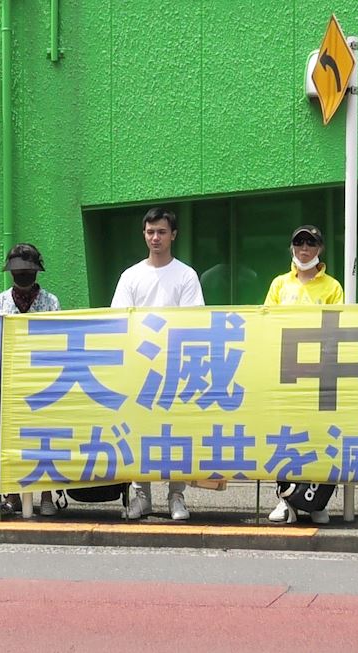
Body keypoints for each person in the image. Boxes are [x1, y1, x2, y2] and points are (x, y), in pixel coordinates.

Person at [111, 207, 204, 520]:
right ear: (144, 234)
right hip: (139, 368)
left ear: (173, 235)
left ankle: (176, 496)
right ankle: (141, 496)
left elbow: (194, 321)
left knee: (176, 433)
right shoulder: (131, 276)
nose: (155, 238)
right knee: (140, 432)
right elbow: (119, 320)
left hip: (175, 367)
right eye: (150, 232)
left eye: (161, 232)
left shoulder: (186, 275)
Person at [263, 225, 343, 525]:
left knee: (320, 437)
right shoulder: (280, 285)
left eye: (311, 243)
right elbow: (267, 323)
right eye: (298, 242)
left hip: (320, 375)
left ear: (320, 248)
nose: (304, 248)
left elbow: (338, 329)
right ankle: (285, 501)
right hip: (287, 373)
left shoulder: (333, 286)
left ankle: (317, 502)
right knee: (287, 437)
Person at [0, 243, 63, 515]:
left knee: (44, 438)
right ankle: (13, 494)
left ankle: (46, 494)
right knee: (11, 440)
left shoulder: (51, 302)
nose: (22, 276)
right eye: (17, 271)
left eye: (27, 271)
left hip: (43, 380)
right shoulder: (0, 302)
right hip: (9, 381)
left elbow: (57, 339)